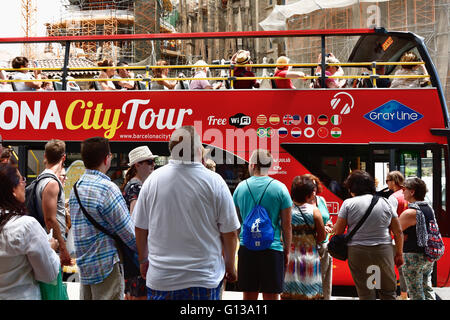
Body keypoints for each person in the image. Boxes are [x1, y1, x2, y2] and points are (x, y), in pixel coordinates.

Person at [134, 126, 240, 300]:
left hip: (161, 279)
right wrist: (230, 267)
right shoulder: (215, 182)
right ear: (199, 150)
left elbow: (140, 229)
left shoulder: (152, 181)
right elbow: (229, 234)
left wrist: (143, 261)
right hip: (204, 280)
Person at [69, 137, 137, 300]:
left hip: (85, 268)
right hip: (106, 266)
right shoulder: (107, 189)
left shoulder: (76, 188)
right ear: (107, 158)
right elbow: (129, 234)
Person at [333, 170, 404, 300]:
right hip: (383, 251)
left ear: (352, 187)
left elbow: (338, 232)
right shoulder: (386, 202)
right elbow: (398, 231)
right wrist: (399, 253)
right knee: (388, 291)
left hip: (357, 251)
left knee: (366, 293)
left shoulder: (348, 203)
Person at [233, 149, 292, 300]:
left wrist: (240, 241)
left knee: (249, 294)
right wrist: (286, 250)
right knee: (271, 295)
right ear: (269, 166)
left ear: (252, 165)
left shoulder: (240, 188)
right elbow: (287, 225)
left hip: (247, 248)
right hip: (272, 249)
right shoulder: (281, 188)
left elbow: (234, 222)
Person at [0, 163, 60, 299]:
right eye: (22, 180)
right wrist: (50, 248)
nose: (24, 185)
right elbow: (49, 274)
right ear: (12, 190)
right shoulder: (25, 226)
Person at [121, 146, 157, 300]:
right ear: (137, 165)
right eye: (149, 162)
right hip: (138, 251)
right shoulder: (137, 187)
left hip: (131, 253)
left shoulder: (131, 184)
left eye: (153, 162)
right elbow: (136, 219)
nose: (153, 165)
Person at [282, 175, 326, 300]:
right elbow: (322, 236)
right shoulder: (314, 211)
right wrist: (311, 243)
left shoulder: (286, 210)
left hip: (290, 257)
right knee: (310, 294)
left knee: (289, 293)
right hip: (310, 258)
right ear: (308, 195)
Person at [399, 178, 437, 300]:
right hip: (427, 254)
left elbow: (395, 230)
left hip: (413, 255)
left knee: (415, 291)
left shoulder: (410, 212)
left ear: (412, 192)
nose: (402, 192)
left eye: (404, 189)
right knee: (426, 288)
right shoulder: (428, 208)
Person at [35, 140, 70, 270]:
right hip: (52, 246)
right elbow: (50, 219)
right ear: (63, 157)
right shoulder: (51, 183)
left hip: (48, 243)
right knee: (52, 286)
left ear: (45, 156)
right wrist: (62, 247)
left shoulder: (42, 179)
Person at [303, 173, 334, 300]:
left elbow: (327, 219)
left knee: (325, 282)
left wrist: (328, 225)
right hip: (308, 247)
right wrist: (321, 229)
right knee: (310, 283)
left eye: (315, 187)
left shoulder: (321, 200)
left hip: (324, 246)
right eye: (311, 187)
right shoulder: (299, 204)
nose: (314, 190)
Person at [385, 170, 409, 299]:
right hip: (408, 237)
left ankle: (398, 295)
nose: (387, 184)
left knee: (391, 266)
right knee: (403, 267)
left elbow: (390, 219)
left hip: (396, 237)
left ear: (393, 181)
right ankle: (404, 294)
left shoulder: (393, 197)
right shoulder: (408, 194)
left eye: (387, 181)